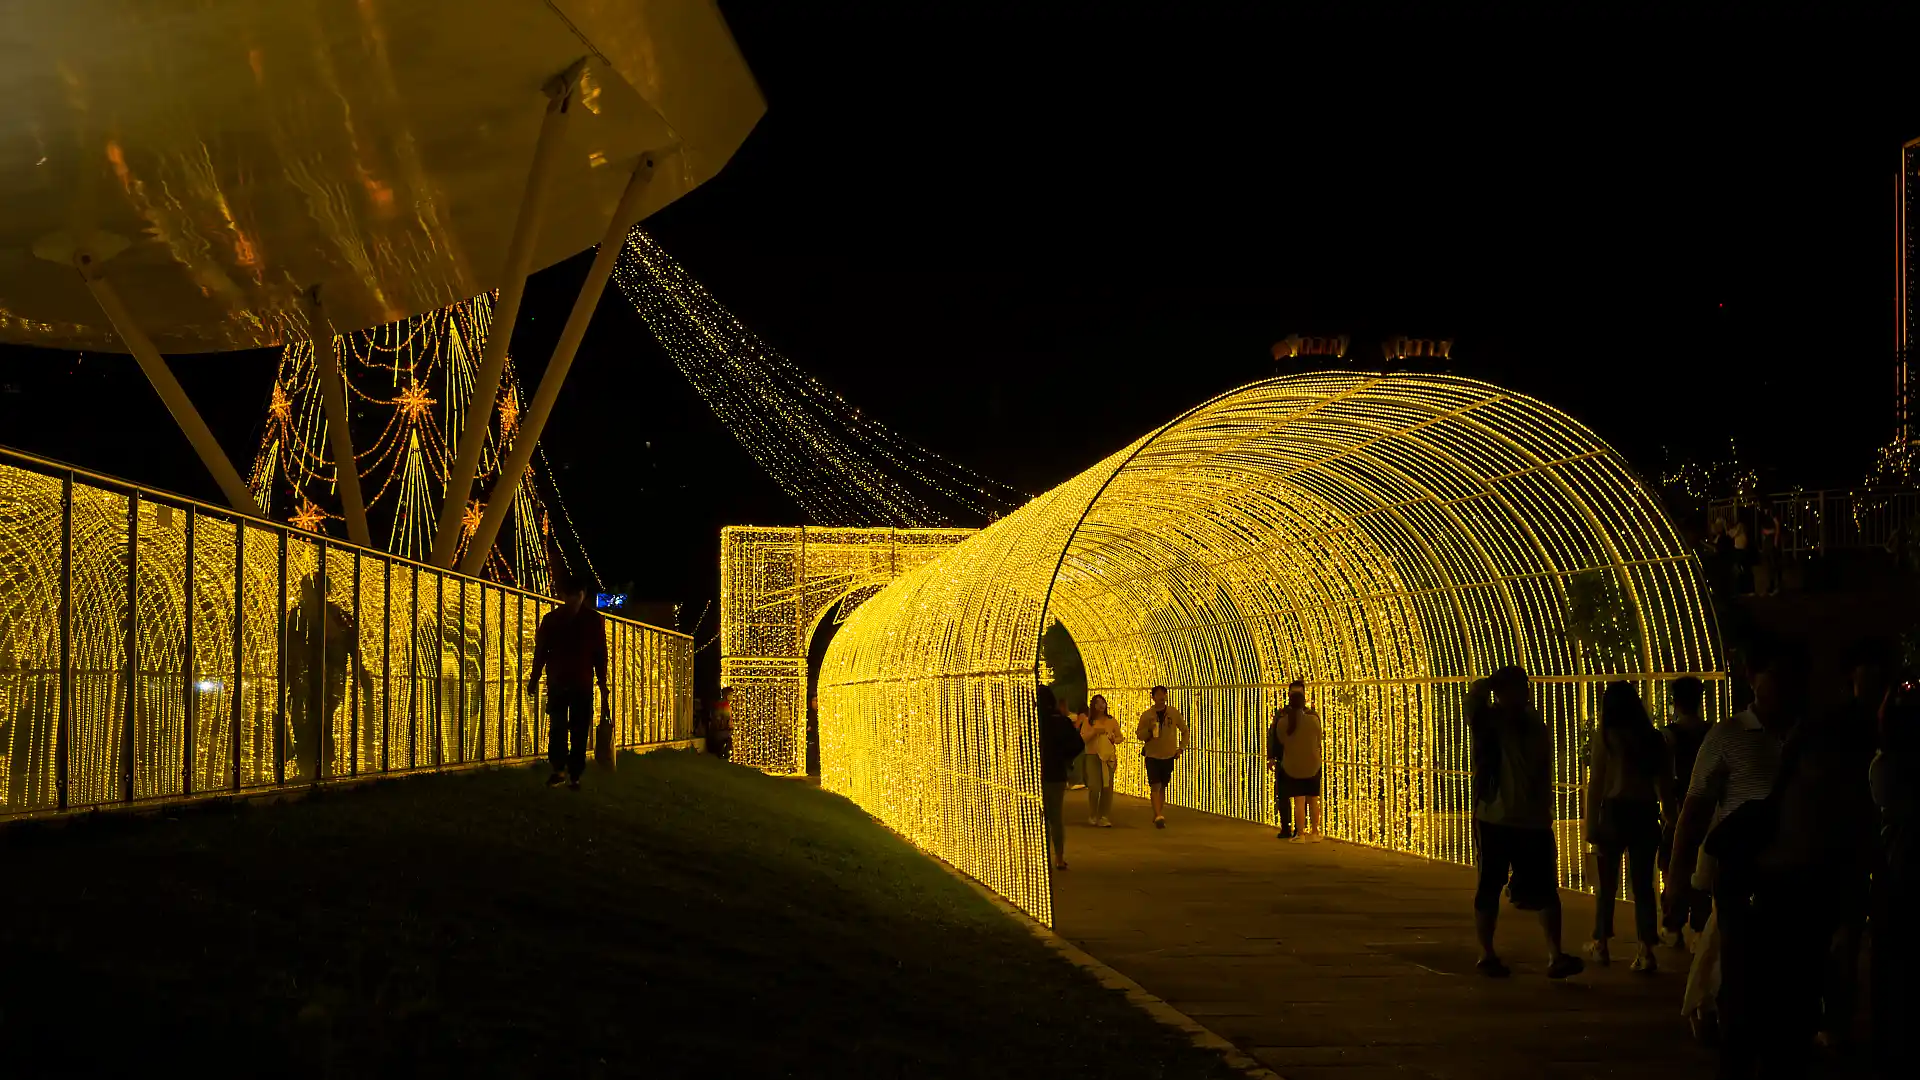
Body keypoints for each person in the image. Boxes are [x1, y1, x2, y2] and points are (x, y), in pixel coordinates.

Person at [1664, 641, 1794, 1064]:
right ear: (1752, 678)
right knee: (1740, 967)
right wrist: (1678, 879)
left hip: (1797, 871)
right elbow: (1694, 811)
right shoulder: (1728, 736)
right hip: (1743, 872)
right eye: (1774, 674)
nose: (1783, 685)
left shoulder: (1807, 736)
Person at [1468, 665, 1583, 979]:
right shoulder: (1491, 722)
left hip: (1527, 819)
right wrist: (1489, 684)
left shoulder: (1532, 725)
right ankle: (1488, 953)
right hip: (1499, 816)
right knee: (1491, 884)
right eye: (1518, 688)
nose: (1525, 694)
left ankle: (1554, 954)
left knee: (1543, 887)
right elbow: (1474, 701)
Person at [1584, 681, 1668, 972]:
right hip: (1645, 812)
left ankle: (1601, 943)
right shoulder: (1653, 738)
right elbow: (1663, 783)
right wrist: (1670, 816)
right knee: (1643, 885)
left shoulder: (1606, 738)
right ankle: (1646, 950)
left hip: (1614, 813)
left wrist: (1591, 824)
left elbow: (1596, 784)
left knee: (1606, 884)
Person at [1870, 675, 1916, 1079]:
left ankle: (1889, 1042)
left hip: (1892, 869)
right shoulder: (1893, 766)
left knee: (1889, 959)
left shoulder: (1884, 766)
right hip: (1898, 867)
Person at [526, 574, 610, 790]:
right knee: (565, 728)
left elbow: (542, 652)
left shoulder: (554, 620)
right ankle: (566, 772)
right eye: (571, 595)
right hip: (573, 682)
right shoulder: (591, 620)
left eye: (576, 595)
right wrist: (602, 683)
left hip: (566, 681)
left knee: (571, 729)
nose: (573, 599)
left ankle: (567, 772)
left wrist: (535, 679)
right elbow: (599, 654)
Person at [284, 571, 367, 782]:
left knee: (319, 719)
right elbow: (290, 646)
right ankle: (309, 766)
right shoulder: (299, 614)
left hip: (324, 679)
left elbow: (350, 644)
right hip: (305, 679)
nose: (305, 594)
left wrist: (359, 671)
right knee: (304, 720)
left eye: (309, 590)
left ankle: (319, 767)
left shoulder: (335, 615)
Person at [1659, 676, 1713, 948]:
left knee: (1673, 865)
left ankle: (1673, 924)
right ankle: (1700, 926)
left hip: (1680, 807)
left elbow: (1663, 776)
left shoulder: (1669, 736)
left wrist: (1666, 807)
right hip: (1708, 808)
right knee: (1702, 867)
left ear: (1676, 701)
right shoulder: (1712, 733)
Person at [1038, 685, 1084, 869]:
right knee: (1055, 817)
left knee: (1038, 817)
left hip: (1034, 774)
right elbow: (1078, 744)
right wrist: (1066, 758)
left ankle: (1041, 856)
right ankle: (1058, 857)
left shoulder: (1032, 721)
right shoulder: (1061, 721)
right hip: (1056, 773)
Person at [1274, 679, 1324, 843]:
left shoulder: (1283, 721)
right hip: (1313, 764)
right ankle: (1315, 832)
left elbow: (1281, 740)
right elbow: (1318, 739)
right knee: (1313, 800)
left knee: (1299, 801)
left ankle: (1300, 834)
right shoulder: (1313, 719)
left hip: (1293, 765)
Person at [1136, 685, 1189, 829]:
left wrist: (1181, 748)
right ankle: (1159, 815)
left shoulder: (1173, 713)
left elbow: (1185, 730)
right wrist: (1149, 731)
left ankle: (1158, 813)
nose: (1161, 697)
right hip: (1152, 754)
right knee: (1155, 785)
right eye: (1158, 694)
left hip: (1168, 755)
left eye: (1164, 694)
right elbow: (1139, 734)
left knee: (1163, 786)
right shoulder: (1147, 715)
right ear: (1153, 697)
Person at [1078, 693, 1124, 827]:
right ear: (1093, 705)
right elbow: (1083, 738)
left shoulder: (1111, 720)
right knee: (1094, 786)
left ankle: (1104, 816)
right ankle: (1093, 814)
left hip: (1108, 758)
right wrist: (1094, 732)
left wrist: (1114, 739)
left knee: (1107, 787)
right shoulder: (1089, 721)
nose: (1101, 705)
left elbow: (1120, 737)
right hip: (1093, 756)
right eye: (1097, 703)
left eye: (1103, 702)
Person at [1265, 707, 1295, 839]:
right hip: (1289, 759)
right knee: (1291, 795)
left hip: (1285, 759)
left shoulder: (1281, 716)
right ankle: (1293, 828)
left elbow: (1272, 736)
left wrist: (1271, 756)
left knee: (1285, 795)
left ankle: (1290, 828)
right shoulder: (1306, 715)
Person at [709, 686, 734, 761]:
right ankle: (723, 757)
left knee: (726, 743)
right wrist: (725, 725)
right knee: (725, 744)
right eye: (730, 694)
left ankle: (723, 756)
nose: (731, 696)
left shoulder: (724, 703)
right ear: (725, 694)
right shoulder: (722, 704)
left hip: (723, 729)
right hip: (722, 729)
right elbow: (720, 717)